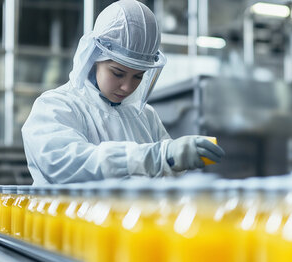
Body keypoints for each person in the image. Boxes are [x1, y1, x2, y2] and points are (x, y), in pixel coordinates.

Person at [22, 0, 225, 184]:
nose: (128, 87)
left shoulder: (146, 117)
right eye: (118, 73)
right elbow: (62, 164)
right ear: (94, 59)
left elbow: (165, 169)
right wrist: (155, 157)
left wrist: (181, 158)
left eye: (138, 76)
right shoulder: (56, 106)